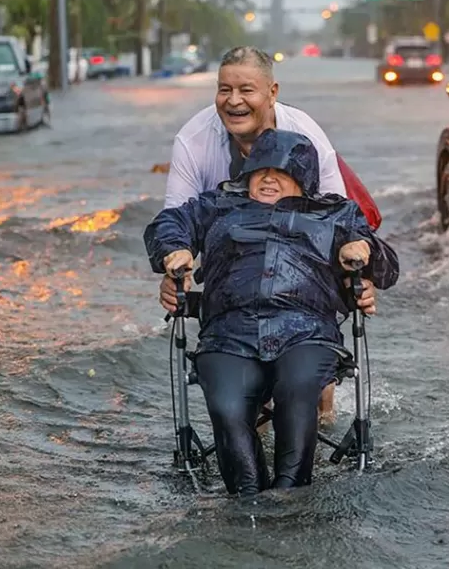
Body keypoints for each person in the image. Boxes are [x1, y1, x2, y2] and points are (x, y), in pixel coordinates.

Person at [145, 129, 399, 497]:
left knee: (298, 392)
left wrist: (364, 248)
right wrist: (174, 250)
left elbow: (389, 269)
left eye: (281, 172)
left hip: (307, 332)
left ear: (304, 179)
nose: (268, 178)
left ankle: (289, 497)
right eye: (260, 170)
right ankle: (247, 496)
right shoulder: (217, 206)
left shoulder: (336, 213)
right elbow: (167, 224)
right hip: (228, 333)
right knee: (228, 406)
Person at [159, 45, 382, 421]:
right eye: (224, 90)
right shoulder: (193, 141)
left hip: (301, 271)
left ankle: (320, 408)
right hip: (233, 264)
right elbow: (176, 220)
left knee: (312, 370)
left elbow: (339, 221)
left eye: (246, 90)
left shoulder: (304, 134)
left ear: (272, 93)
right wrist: (173, 269)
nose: (233, 101)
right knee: (245, 389)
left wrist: (356, 277)